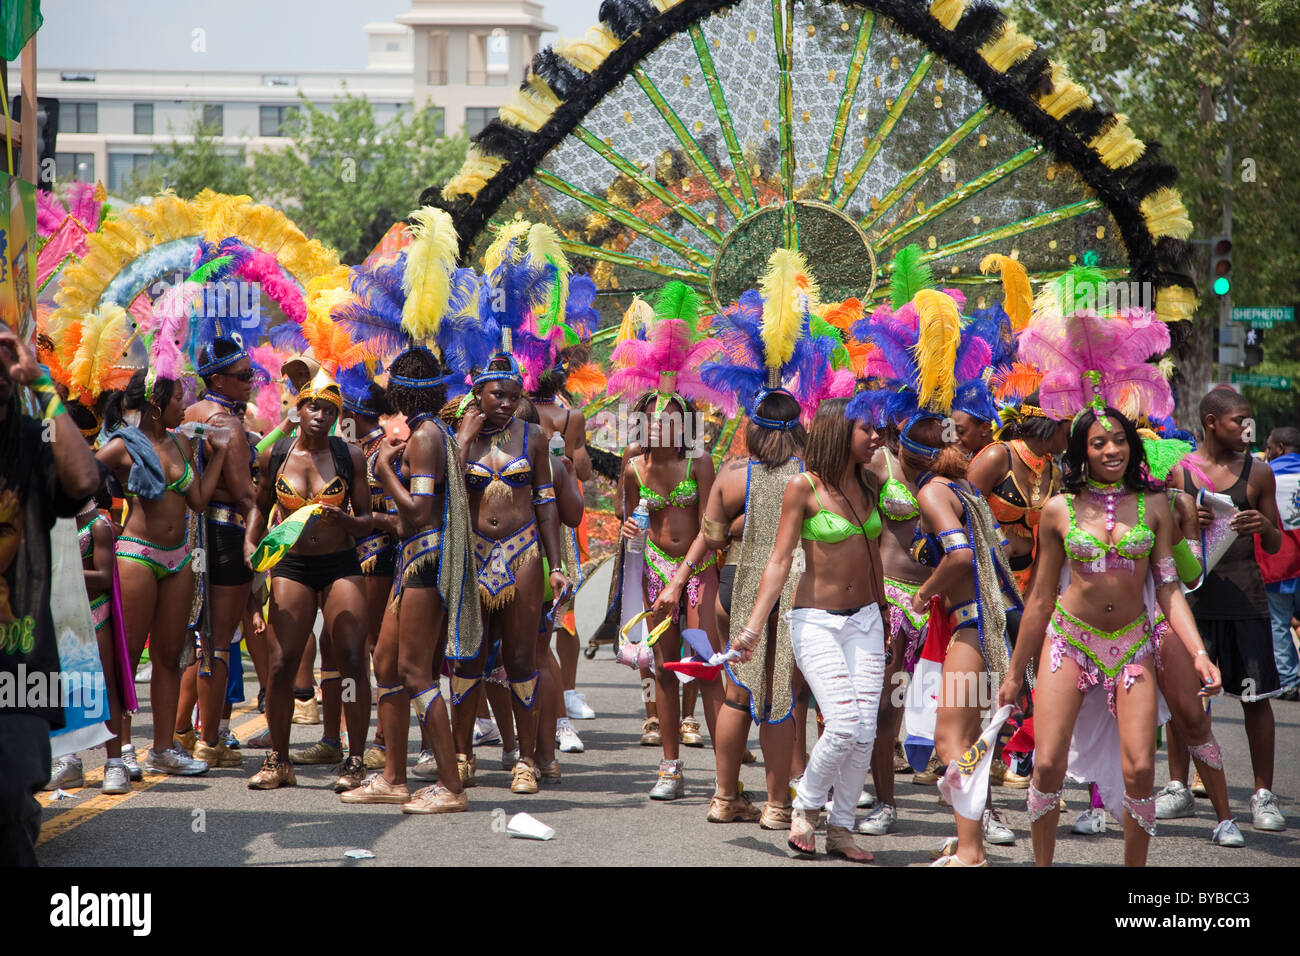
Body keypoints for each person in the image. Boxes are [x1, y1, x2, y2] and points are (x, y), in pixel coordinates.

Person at [732, 397, 884, 862]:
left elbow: (875, 556)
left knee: (865, 731)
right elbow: (779, 561)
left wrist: (886, 617)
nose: (877, 437)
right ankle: (806, 806)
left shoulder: (873, 482)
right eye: (867, 429)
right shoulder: (804, 487)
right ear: (840, 433)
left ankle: (840, 830)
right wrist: (753, 628)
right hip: (815, 620)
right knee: (841, 724)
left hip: (868, 621)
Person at [658, 388, 805, 826]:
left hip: (734, 585)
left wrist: (678, 578)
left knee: (736, 694)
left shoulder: (731, 473)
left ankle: (725, 798)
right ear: (799, 428)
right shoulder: (812, 475)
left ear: (752, 430)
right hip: (792, 587)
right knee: (782, 694)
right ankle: (778, 806)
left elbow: (713, 538)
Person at [344, 346, 479, 812]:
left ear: (400, 391)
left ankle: (450, 787)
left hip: (426, 563)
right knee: (384, 662)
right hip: (412, 560)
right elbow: (408, 520)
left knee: (418, 673)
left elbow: (420, 512)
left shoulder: (424, 437)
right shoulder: (431, 431)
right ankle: (394, 778)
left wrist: (382, 469)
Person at [244, 358, 374, 791]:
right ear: (298, 409)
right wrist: (251, 545)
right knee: (281, 664)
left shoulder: (348, 454)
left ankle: (354, 760)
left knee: (353, 658)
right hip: (292, 564)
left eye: (330, 411)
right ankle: (278, 760)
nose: (321, 417)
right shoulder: (275, 453)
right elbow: (259, 507)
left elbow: (367, 518)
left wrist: (348, 523)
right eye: (313, 408)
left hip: (340, 562)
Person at [97, 368, 229, 779]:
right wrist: (99, 527)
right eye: (177, 400)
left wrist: (220, 454)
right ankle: (117, 758)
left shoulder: (182, 441)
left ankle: (163, 749)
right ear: (156, 403)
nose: (183, 406)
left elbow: (200, 501)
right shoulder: (122, 447)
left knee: (169, 658)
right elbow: (80, 479)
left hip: (179, 559)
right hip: (137, 556)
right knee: (127, 660)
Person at [0, 326, 100, 865]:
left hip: (18, 668)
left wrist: (41, 383)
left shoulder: (34, 442)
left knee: (10, 796)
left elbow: (84, 482)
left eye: (5, 350)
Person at [1167, 388, 1285, 832]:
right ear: (1212, 422)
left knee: (1256, 699)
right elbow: (1165, 538)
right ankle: (1178, 787)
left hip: (1246, 600)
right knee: (1185, 698)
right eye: (1240, 421)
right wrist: (1185, 521)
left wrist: (1264, 524)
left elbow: (1274, 544)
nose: (1248, 430)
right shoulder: (1180, 471)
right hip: (1192, 600)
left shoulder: (1260, 473)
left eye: (1250, 421)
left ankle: (1262, 795)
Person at [449, 356, 569, 794]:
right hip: (473, 555)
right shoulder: (458, 436)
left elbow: (547, 504)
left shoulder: (534, 436)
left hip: (521, 554)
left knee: (520, 659)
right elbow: (447, 492)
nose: (506, 402)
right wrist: (462, 441)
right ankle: (462, 756)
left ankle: (525, 760)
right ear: (477, 394)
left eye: (513, 396)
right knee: (468, 659)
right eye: (497, 394)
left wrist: (555, 566)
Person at [185, 336, 259, 771]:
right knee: (220, 641)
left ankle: (182, 731)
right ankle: (209, 740)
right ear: (217, 379)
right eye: (243, 376)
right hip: (228, 534)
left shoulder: (192, 414)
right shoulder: (226, 424)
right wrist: (261, 540)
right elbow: (247, 497)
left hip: (194, 535)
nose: (252, 382)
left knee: (199, 637)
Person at [859, 424, 930, 837]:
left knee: (954, 703)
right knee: (883, 706)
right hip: (890, 598)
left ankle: (978, 811)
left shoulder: (951, 468)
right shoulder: (878, 464)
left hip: (937, 603)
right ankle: (884, 802)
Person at [1262, 426, 1300, 699]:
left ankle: (1288, 681)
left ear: (1281, 448)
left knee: (1279, 623)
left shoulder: (1265, 475)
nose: (1267, 451)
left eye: (1269, 447)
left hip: (1279, 564)